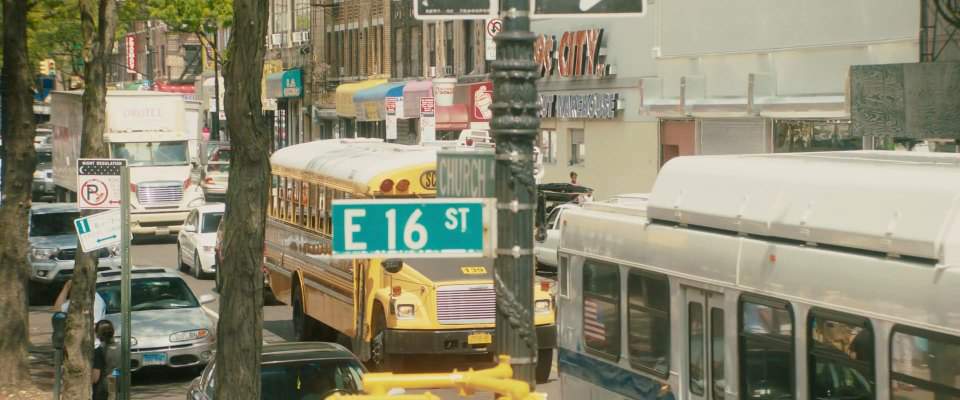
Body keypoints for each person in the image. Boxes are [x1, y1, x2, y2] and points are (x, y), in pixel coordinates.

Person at [92, 320, 118, 400]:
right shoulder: (121, 348)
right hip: (117, 387)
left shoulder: (98, 351)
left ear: (97, 334)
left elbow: (95, 377)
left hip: (102, 391)